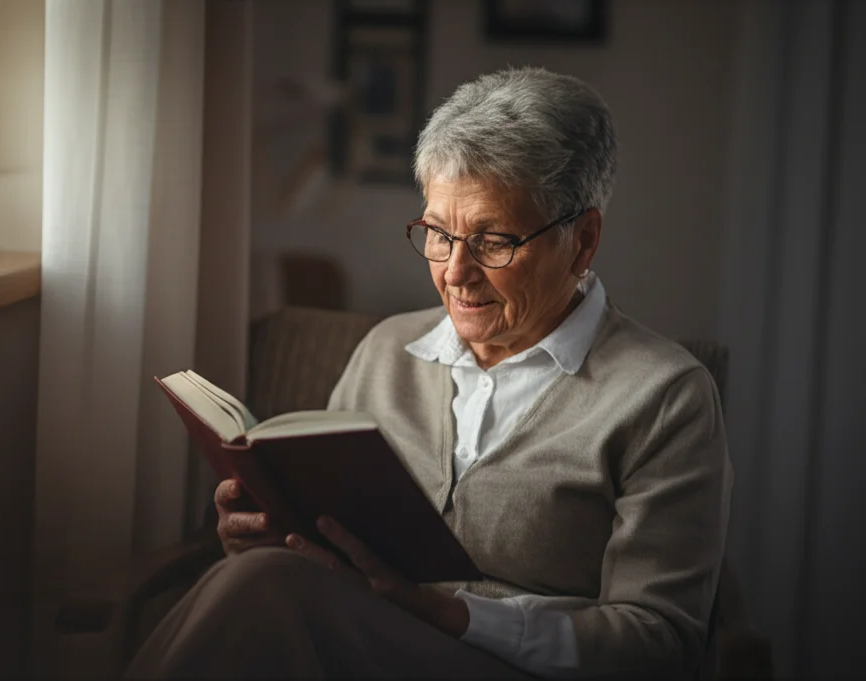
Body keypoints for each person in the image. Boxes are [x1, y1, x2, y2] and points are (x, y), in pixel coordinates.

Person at [126, 66, 732, 680]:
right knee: (260, 575)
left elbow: (659, 642)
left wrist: (453, 615)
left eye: (494, 241)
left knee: (265, 588)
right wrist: (270, 537)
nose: (455, 272)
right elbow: (328, 548)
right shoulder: (387, 349)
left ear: (583, 240)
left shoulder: (665, 397)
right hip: (353, 648)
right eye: (439, 234)